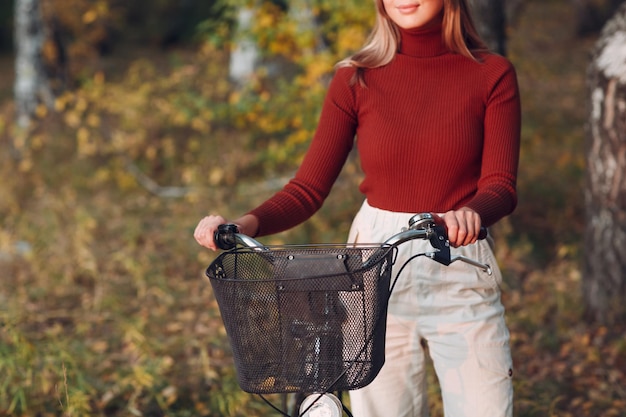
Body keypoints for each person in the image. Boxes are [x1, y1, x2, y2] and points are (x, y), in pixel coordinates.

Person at [194, 0, 520, 415]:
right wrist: (242, 225)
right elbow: (308, 188)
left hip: (456, 257)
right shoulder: (355, 77)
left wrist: (471, 213)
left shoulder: (491, 74)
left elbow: (501, 186)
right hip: (372, 268)